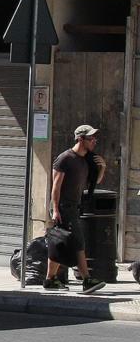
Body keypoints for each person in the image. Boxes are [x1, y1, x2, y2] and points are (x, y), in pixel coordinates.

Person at [48, 124, 107, 294]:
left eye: (95, 138)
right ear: (80, 139)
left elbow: (94, 182)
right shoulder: (65, 159)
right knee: (78, 242)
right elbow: (56, 187)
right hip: (64, 207)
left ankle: (49, 279)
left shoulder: (85, 160)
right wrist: (56, 209)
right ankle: (87, 280)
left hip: (75, 206)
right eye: (91, 138)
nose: (94, 141)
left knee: (60, 243)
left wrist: (102, 168)